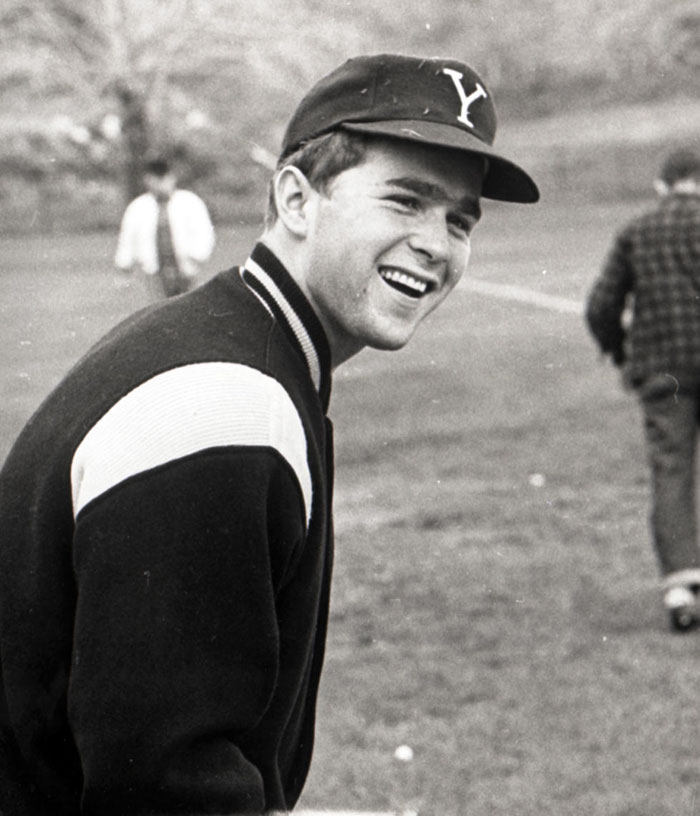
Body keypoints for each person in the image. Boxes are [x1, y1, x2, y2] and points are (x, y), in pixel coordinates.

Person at [0, 53, 538, 814]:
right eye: (406, 201)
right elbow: (161, 786)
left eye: (459, 220)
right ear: (295, 198)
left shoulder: (233, 344)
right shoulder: (227, 402)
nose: (437, 244)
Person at [586, 146, 700, 633]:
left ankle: (680, 587)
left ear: (663, 184)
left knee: (671, 472)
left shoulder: (637, 230)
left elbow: (601, 306)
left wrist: (617, 350)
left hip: (663, 373)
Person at [114, 156, 216, 298]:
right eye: (155, 179)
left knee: (188, 308)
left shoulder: (190, 202)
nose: (160, 184)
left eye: (164, 179)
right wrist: (124, 267)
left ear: (172, 178)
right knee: (160, 311)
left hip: (186, 268)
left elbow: (204, 232)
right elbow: (127, 239)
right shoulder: (138, 207)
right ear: (147, 180)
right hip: (154, 272)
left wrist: (197, 255)